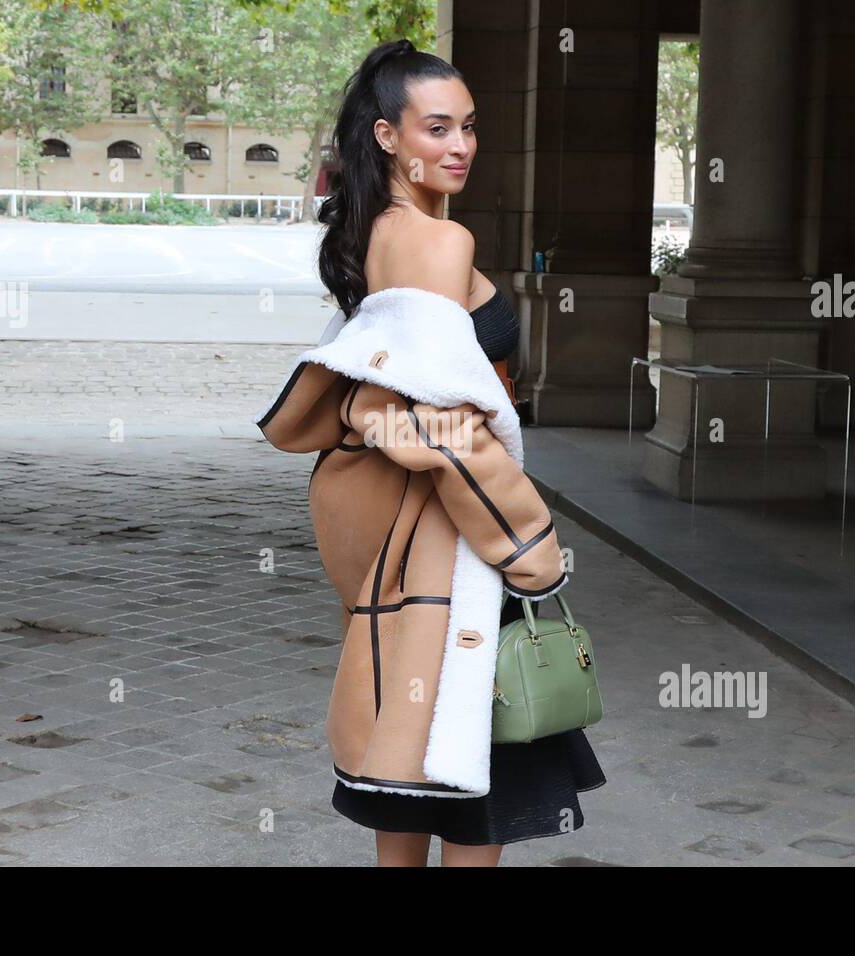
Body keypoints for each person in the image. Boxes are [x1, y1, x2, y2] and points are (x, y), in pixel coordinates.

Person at [254, 38, 604, 867]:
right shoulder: (439, 247)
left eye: (470, 128)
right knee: (475, 782)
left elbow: (379, 404)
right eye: (437, 128)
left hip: (400, 551)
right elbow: (425, 422)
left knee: (405, 760)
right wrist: (528, 543)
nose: (460, 147)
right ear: (388, 138)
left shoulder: (379, 231)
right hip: (452, 543)